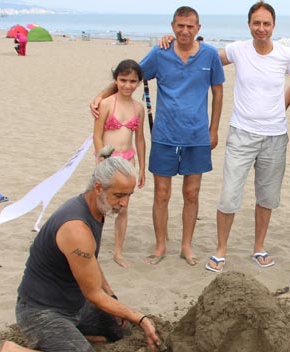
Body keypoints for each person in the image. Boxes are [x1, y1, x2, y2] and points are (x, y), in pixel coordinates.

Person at [0, 158, 162, 352]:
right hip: (41, 312)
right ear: (99, 188)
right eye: (119, 195)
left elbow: (89, 261)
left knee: (122, 330)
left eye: (129, 195)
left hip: (74, 306)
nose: (124, 203)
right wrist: (140, 317)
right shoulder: (75, 227)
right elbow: (92, 293)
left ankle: (72, 338)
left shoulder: (97, 209)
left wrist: (112, 298)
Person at [161, 2, 290, 272]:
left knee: (266, 197)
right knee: (229, 196)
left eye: (266, 24)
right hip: (241, 134)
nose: (261, 29)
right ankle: (220, 250)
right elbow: (203, 57)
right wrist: (174, 40)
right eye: (256, 23)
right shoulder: (238, 50)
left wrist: (281, 106)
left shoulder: (286, 55)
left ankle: (259, 248)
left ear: (274, 26)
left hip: (275, 137)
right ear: (249, 24)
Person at [94, 6, 225, 267]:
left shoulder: (210, 55)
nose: (185, 31)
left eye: (190, 26)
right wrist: (101, 96)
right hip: (164, 135)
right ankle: (160, 245)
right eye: (180, 26)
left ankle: (186, 246)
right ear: (173, 27)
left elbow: (218, 93)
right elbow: (130, 76)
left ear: (198, 28)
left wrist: (213, 129)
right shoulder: (160, 52)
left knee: (192, 193)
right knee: (161, 193)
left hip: (197, 136)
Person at [92, 59, 147, 268]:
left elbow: (140, 139)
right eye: (123, 80)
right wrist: (101, 160)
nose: (127, 85)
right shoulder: (106, 104)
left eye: (133, 81)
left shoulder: (138, 108)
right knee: (101, 206)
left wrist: (141, 167)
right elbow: (97, 135)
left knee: (123, 208)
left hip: (128, 161)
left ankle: (118, 252)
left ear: (139, 83)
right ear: (116, 80)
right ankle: (93, 248)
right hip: (107, 160)